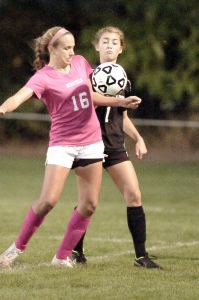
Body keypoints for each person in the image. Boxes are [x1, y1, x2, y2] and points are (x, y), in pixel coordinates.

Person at [0, 26, 141, 268]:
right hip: (63, 144)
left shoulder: (80, 63)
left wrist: (120, 101)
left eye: (73, 47)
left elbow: (92, 95)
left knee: (89, 205)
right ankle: (17, 247)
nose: (72, 52)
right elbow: (19, 96)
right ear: (52, 49)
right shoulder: (43, 77)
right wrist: (3, 108)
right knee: (48, 200)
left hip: (91, 142)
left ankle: (61, 256)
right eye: (67, 48)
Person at [70, 26, 162, 269]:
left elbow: (122, 116)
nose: (110, 45)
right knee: (87, 203)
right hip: (88, 144)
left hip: (114, 146)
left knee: (134, 195)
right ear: (96, 46)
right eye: (105, 41)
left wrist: (138, 138)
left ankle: (141, 257)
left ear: (121, 49)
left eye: (114, 42)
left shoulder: (122, 78)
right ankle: (75, 252)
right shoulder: (85, 76)